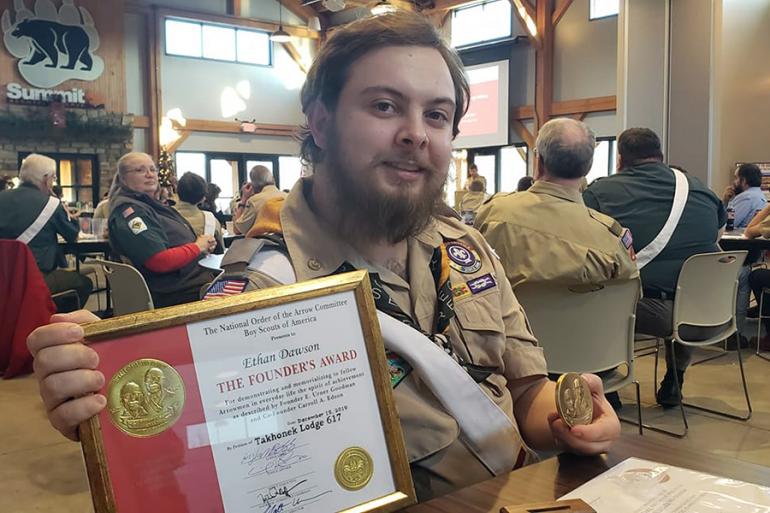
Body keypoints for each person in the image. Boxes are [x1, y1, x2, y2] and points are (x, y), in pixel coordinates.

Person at [27, 12, 619, 502]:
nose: (416, 133)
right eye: (385, 107)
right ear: (320, 121)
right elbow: (204, 466)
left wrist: (572, 419)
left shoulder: (465, 245)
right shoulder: (261, 291)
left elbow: (525, 392)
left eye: (436, 114)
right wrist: (103, 402)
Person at [583, 127, 726, 408]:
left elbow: (582, 240)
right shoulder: (701, 189)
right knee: (683, 289)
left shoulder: (600, 192)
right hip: (710, 311)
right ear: (660, 156)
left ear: (621, 160)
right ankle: (675, 378)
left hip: (656, 313)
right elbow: (718, 233)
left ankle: (607, 385)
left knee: (592, 298)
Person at [476, 118, 638, 290]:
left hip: (501, 316)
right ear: (588, 167)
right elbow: (627, 296)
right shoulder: (612, 241)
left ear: (539, 163)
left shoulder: (493, 212)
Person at [106, 152, 217, 307]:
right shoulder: (131, 212)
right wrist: (197, 247)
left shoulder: (150, 205)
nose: (149, 175)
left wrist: (202, 245)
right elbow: (158, 261)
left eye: (153, 169)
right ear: (123, 178)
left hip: (195, 280)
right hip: (179, 291)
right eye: (140, 170)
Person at [0, 154, 92, 309]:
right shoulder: (51, 204)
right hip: (33, 277)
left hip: (3, 278)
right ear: (46, 179)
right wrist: (58, 202)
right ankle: (51, 322)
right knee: (82, 283)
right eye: (53, 178)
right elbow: (72, 234)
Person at [174, 172, 224, 254]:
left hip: (172, 264)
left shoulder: (162, 216)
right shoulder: (211, 220)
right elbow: (220, 251)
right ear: (203, 198)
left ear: (177, 191)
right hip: (203, 265)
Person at [232, 165, 286, 235]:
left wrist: (244, 199)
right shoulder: (287, 197)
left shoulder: (255, 200)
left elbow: (238, 229)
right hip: (286, 243)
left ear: (252, 184)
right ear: (273, 179)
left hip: (263, 244)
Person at [722, 163, 766, 228]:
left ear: (743, 180)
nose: (734, 182)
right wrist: (727, 201)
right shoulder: (760, 195)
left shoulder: (746, 197)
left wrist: (724, 202)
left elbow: (726, 224)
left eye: (736, 178)